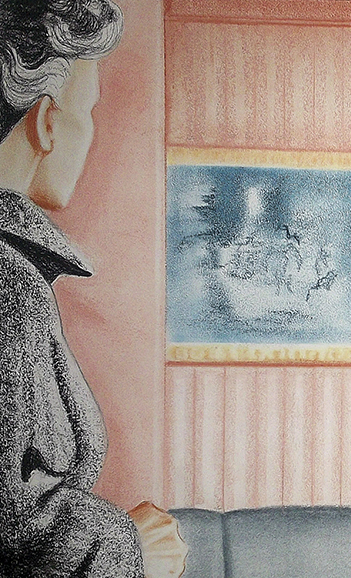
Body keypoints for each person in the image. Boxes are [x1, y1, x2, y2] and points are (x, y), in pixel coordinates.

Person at [0, 0, 144, 575]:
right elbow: (16, 523)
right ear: (46, 120)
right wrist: (130, 545)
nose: (89, 135)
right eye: (87, 112)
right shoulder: (12, 284)